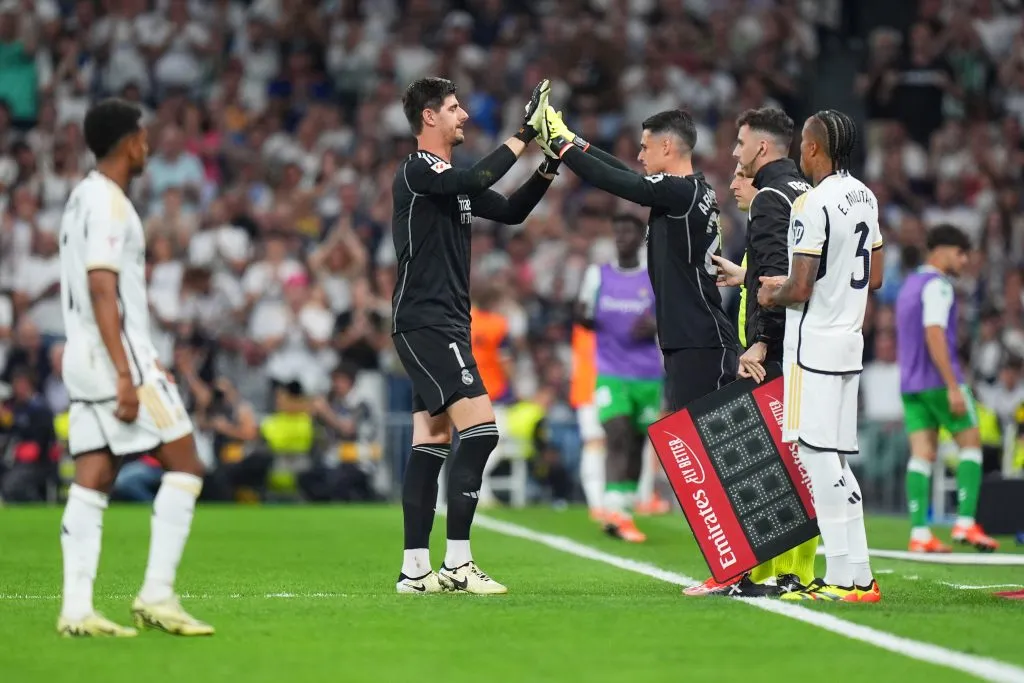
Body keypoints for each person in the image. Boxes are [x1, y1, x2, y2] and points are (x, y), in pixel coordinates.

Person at [392, 77, 557, 595]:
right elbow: (482, 173)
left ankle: (415, 569)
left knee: (432, 442)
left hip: (441, 323)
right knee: (482, 430)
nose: (463, 115)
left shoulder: (451, 182)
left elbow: (510, 210)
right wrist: (526, 134)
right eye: (454, 108)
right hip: (427, 321)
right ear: (429, 118)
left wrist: (549, 164)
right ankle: (458, 564)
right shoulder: (420, 170)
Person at [56, 98, 213, 636]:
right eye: (142, 136)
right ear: (128, 142)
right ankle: (157, 595)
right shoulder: (110, 204)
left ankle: (76, 610)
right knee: (187, 465)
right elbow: (103, 287)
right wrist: (128, 372)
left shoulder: (79, 199)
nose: (147, 145)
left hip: (81, 357)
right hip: (117, 359)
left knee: (92, 477)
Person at [533, 107, 738, 414]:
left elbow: (616, 182)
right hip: (692, 337)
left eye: (645, 147)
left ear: (666, 146)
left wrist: (559, 145)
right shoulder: (692, 190)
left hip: (700, 338)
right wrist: (571, 139)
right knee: (697, 443)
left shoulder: (679, 191)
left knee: (706, 444)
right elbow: (626, 175)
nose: (640, 156)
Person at [758, 110, 884, 603]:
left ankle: (840, 579)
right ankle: (860, 575)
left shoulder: (812, 202)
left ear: (812, 148)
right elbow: (874, 276)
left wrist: (773, 292)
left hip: (811, 348)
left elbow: (801, 286)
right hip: (848, 342)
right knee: (833, 460)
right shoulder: (866, 196)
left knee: (816, 459)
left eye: (803, 144)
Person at [696, 109, 818, 597]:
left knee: (778, 463)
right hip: (812, 345)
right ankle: (794, 571)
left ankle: (779, 573)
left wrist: (762, 340)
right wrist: (745, 276)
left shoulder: (770, 198)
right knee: (802, 460)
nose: (735, 153)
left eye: (740, 144)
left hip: (777, 350)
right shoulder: (809, 194)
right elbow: (795, 270)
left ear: (762, 149)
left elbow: (773, 275)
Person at [895, 224, 998, 553]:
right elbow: (934, 333)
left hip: (910, 383)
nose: (964, 260)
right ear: (941, 249)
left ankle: (920, 532)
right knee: (971, 445)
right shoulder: (938, 286)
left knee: (922, 455)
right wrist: (954, 386)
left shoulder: (909, 285)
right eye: (960, 252)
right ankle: (966, 523)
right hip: (939, 381)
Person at [575, 213, 662, 542]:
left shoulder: (652, 278)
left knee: (637, 442)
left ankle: (622, 508)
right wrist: (584, 317)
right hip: (611, 372)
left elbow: (668, 315)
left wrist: (655, 325)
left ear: (640, 238)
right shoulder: (598, 275)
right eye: (618, 231)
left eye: (629, 231)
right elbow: (581, 311)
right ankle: (612, 506)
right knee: (618, 432)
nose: (622, 237)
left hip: (648, 375)